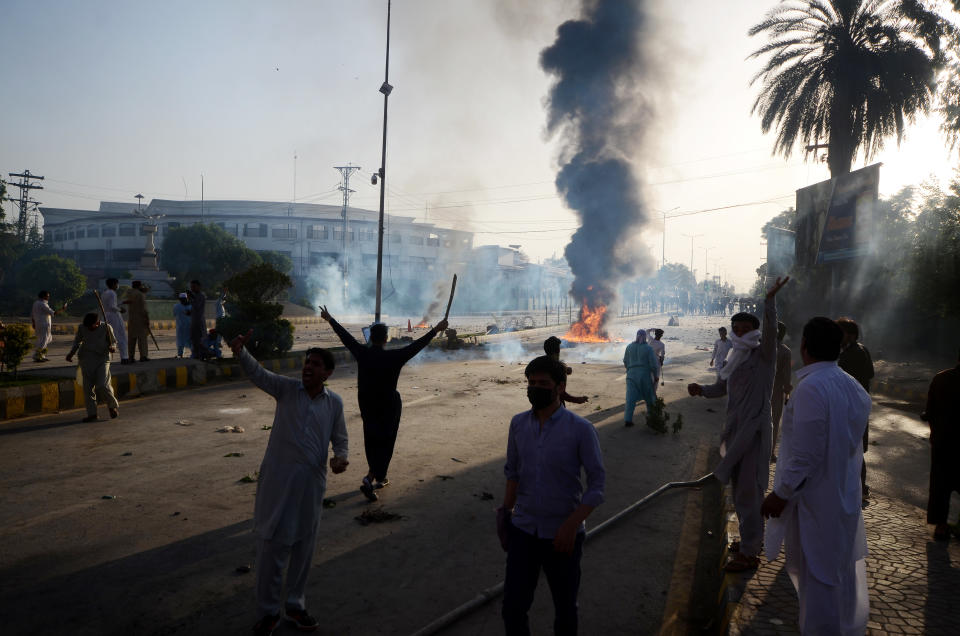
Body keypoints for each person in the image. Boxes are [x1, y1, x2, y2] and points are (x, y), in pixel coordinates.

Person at [228, 329, 349, 636]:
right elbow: (259, 373)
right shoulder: (285, 389)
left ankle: (295, 605)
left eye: (317, 364)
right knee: (273, 548)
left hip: (311, 486)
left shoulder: (334, 403)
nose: (308, 367)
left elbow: (341, 439)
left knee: (304, 548)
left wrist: (340, 458)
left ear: (328, 373)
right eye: (307, 362)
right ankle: (269, 612)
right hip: (279, 484)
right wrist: (241, 351)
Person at [761, 317, 871, 635]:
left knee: (819, 578)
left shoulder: (811, 388)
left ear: (804, 346)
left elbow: (806, 455)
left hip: (816, 500)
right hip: (841, 495)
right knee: (836, 574)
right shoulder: (853, 387)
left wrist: (780, 494)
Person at [688, 276, 788, 572]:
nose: (741, 333)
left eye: (747, 329)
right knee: (737, 489)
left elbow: (770, 332)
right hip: (733, 431)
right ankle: (747, 540)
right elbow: (721, 388)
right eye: (737, 329)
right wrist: (701, 390)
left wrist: (769, 302)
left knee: (750, 491)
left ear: (756, 331)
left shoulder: (764, 355)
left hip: (755, 433)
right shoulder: (732, 356)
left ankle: (750, 552)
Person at [500, 355, 605, 636]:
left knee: (566, 608)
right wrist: (504, 512)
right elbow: (513, 472)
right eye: (531, 383)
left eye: (543, 383)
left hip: (563, 535)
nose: (535, 388)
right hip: (523, 530)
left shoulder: (581, 429)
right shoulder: (518, 424)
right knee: (513, 607)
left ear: (560, 387)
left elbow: (597, 484)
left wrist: (571, 526)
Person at [320, 306, 447, 502]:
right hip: (389, 405)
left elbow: (345, 337)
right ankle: (371, 478)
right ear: (386, 338)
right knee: (386, 441)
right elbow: (417, 346)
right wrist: (436, 329)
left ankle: (377, 475)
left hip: (367, 404)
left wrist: (330, 319)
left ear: (371, 337)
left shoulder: (362, 353)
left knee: (371, 440)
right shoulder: (394, 356)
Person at [922, 348, 960, 541]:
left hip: (942, 443)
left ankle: (941, 526)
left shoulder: (941, 378)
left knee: (940, 486)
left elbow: (929, 411)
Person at [836, 317, 874, 506]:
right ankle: (859, 487)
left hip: (852, 409)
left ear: (849, 335)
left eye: (840, 332)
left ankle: (860, 488)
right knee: (854, 449)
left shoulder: (854, 354)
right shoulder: (860, 349)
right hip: (856, 408)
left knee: (853, 449)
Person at [66, 312, 120, 423]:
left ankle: (112, 406)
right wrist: (71, 353)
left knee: (102, 385)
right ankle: (92, 414)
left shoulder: (106, 327)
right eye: (88, 326)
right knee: (88, 389)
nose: (89, 328)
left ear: (97, 323)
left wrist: (112, 347)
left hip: (102, 359)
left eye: (92, 326)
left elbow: (113, 341)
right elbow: (77, 341)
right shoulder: (82, 328)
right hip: (86, 359)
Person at [622, 329, 659, 428]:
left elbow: (625, 361)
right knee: (649, 398)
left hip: (631, 376)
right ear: (645, 337)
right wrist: (656, 376)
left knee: (630, 399)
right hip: (644, 376)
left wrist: (630, 370)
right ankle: (651, 419)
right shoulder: (648, 348)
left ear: (636, 336)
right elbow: (654, 365)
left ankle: (628, 420)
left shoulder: (629, 347)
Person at [770, 321, 793, 462]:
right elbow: (786, 375)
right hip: (776, 391)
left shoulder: (760, 347)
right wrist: (787, 392)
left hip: (758, 390)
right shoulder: (785, 351)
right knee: (773, 421)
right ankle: (770, 452)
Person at [544, 336, 588, 405]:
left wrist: (564, 369)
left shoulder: (536, 364)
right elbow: (562, 394)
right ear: (558, 350)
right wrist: (578, 400)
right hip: (555, 408)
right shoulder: (559, 368)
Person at [102, 278, 130, 365]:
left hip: (106, 315)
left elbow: (111, 304)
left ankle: (105, 357)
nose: (118, 286)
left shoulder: (104, 293)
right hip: (114, 316)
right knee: (121, 336)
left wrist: (122, 302)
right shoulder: (112, 293)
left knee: (108, 337)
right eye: (117, 284)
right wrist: (120, 310)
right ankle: (124, 357)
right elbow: (112, 306)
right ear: (114, 284)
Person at [123, 281, 150, 362]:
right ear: (139, 286)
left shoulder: (129, 293)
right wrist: (147, 319)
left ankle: (131, 357)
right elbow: (144, 309)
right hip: (140, 319)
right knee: (142, 339)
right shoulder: (140, 295)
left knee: (131, 339)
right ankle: (143, 356)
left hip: (131, 319)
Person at [31, 290, 60, 362]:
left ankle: (41, 355)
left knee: (41, 340)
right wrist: (63, 309)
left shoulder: (36, 303)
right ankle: (37, 356)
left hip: (38, 324)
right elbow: (53, 313)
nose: (48, 297)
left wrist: (34, 323)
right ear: (44, 296)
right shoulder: (43, 304)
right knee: (43, 340)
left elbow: (32, 315)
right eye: (47, 296)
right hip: (44, 324)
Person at [187, 280, 207, 359]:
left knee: (200, 339)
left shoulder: (201, 296)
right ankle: (196, 354)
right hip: (194, 320)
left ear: (199, 287)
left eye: (194, 287)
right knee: (193, 338)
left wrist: (190, 298)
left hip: (199, 321)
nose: (192, 288)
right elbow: (194, 308)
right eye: (191, 287)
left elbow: (197, 306)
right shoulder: (194, 296)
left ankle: (202, 354)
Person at [173, 293, 192, 358]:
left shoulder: (176, 306)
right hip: (186, 326)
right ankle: (192, 353)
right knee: (188, 341)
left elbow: (174, 314)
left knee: (181, 341)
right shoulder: (191, 306)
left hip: (182, 327)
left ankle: (180, 354)